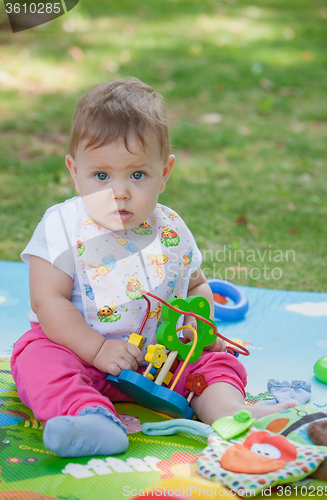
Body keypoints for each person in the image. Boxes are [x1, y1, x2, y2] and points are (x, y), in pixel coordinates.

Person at [11, 78, 296, 459]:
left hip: (162, 362)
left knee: (214, 361)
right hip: (80, 350)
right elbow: (47, 300)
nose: (120, 191)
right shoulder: (61, 225)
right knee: (35, 358)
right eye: (101, 176)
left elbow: (195, 286)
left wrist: (198, 324)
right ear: (74, 171)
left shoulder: (171, 228)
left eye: (138, 175)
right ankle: (89, 417)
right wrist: (96, 349)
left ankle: (231, 414)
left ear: (164, 173)